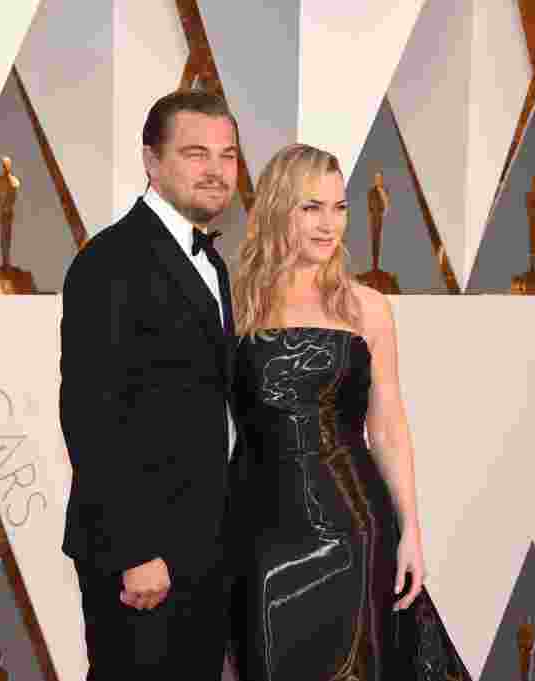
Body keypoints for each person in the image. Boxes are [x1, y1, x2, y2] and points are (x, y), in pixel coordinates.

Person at [59, 90, 241, 679]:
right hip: (142, 558)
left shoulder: (212, 264)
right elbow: (90, 414)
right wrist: (135, 550)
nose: (216, 170)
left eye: (229, 155)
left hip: (203, 548)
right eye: (196, 153)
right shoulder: (111, 260)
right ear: (151, 162)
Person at [229, 143, 427, 679]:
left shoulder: (367, 307)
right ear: (276, 209)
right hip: (258, 532)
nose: (329, 224)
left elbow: (387, 424)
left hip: (354, 528)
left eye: (339, 208)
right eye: (311, 207)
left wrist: (410, 528)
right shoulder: (233, 302)